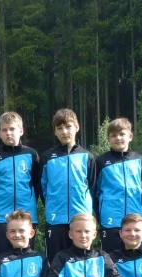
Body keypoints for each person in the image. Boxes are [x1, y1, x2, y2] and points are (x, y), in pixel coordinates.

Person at [40, 108, 96, 262]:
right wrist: (53, 205)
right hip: (55, 219)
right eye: (60, 128)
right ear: (55, 132)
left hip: (81, 219)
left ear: (77, 127)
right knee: (55, 262)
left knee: (82, 261)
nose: (64, 131)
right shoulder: (47, 157)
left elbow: (92, 187)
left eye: (68, 126)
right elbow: (43, 188)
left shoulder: (87, 157)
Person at [0, 111, 41, 254]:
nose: (8, 133)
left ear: (21, 131)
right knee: (3, 258)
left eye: (12, 129)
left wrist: (29, 202)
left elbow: (37, 184)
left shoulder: (31, 154)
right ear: (0, 133)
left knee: (26, 256)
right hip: (0, 216)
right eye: (4, 130)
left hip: (27, 214)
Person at [96, 118, 142, 253]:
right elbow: (95, 192)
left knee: (135, 258)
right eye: (113, 135)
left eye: (122, 134)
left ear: (130, 136)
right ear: (108, 139)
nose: (118, 138)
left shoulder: (140, 160)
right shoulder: (101, 161)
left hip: (135, 221)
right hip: (110, 220)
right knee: (110, 259)